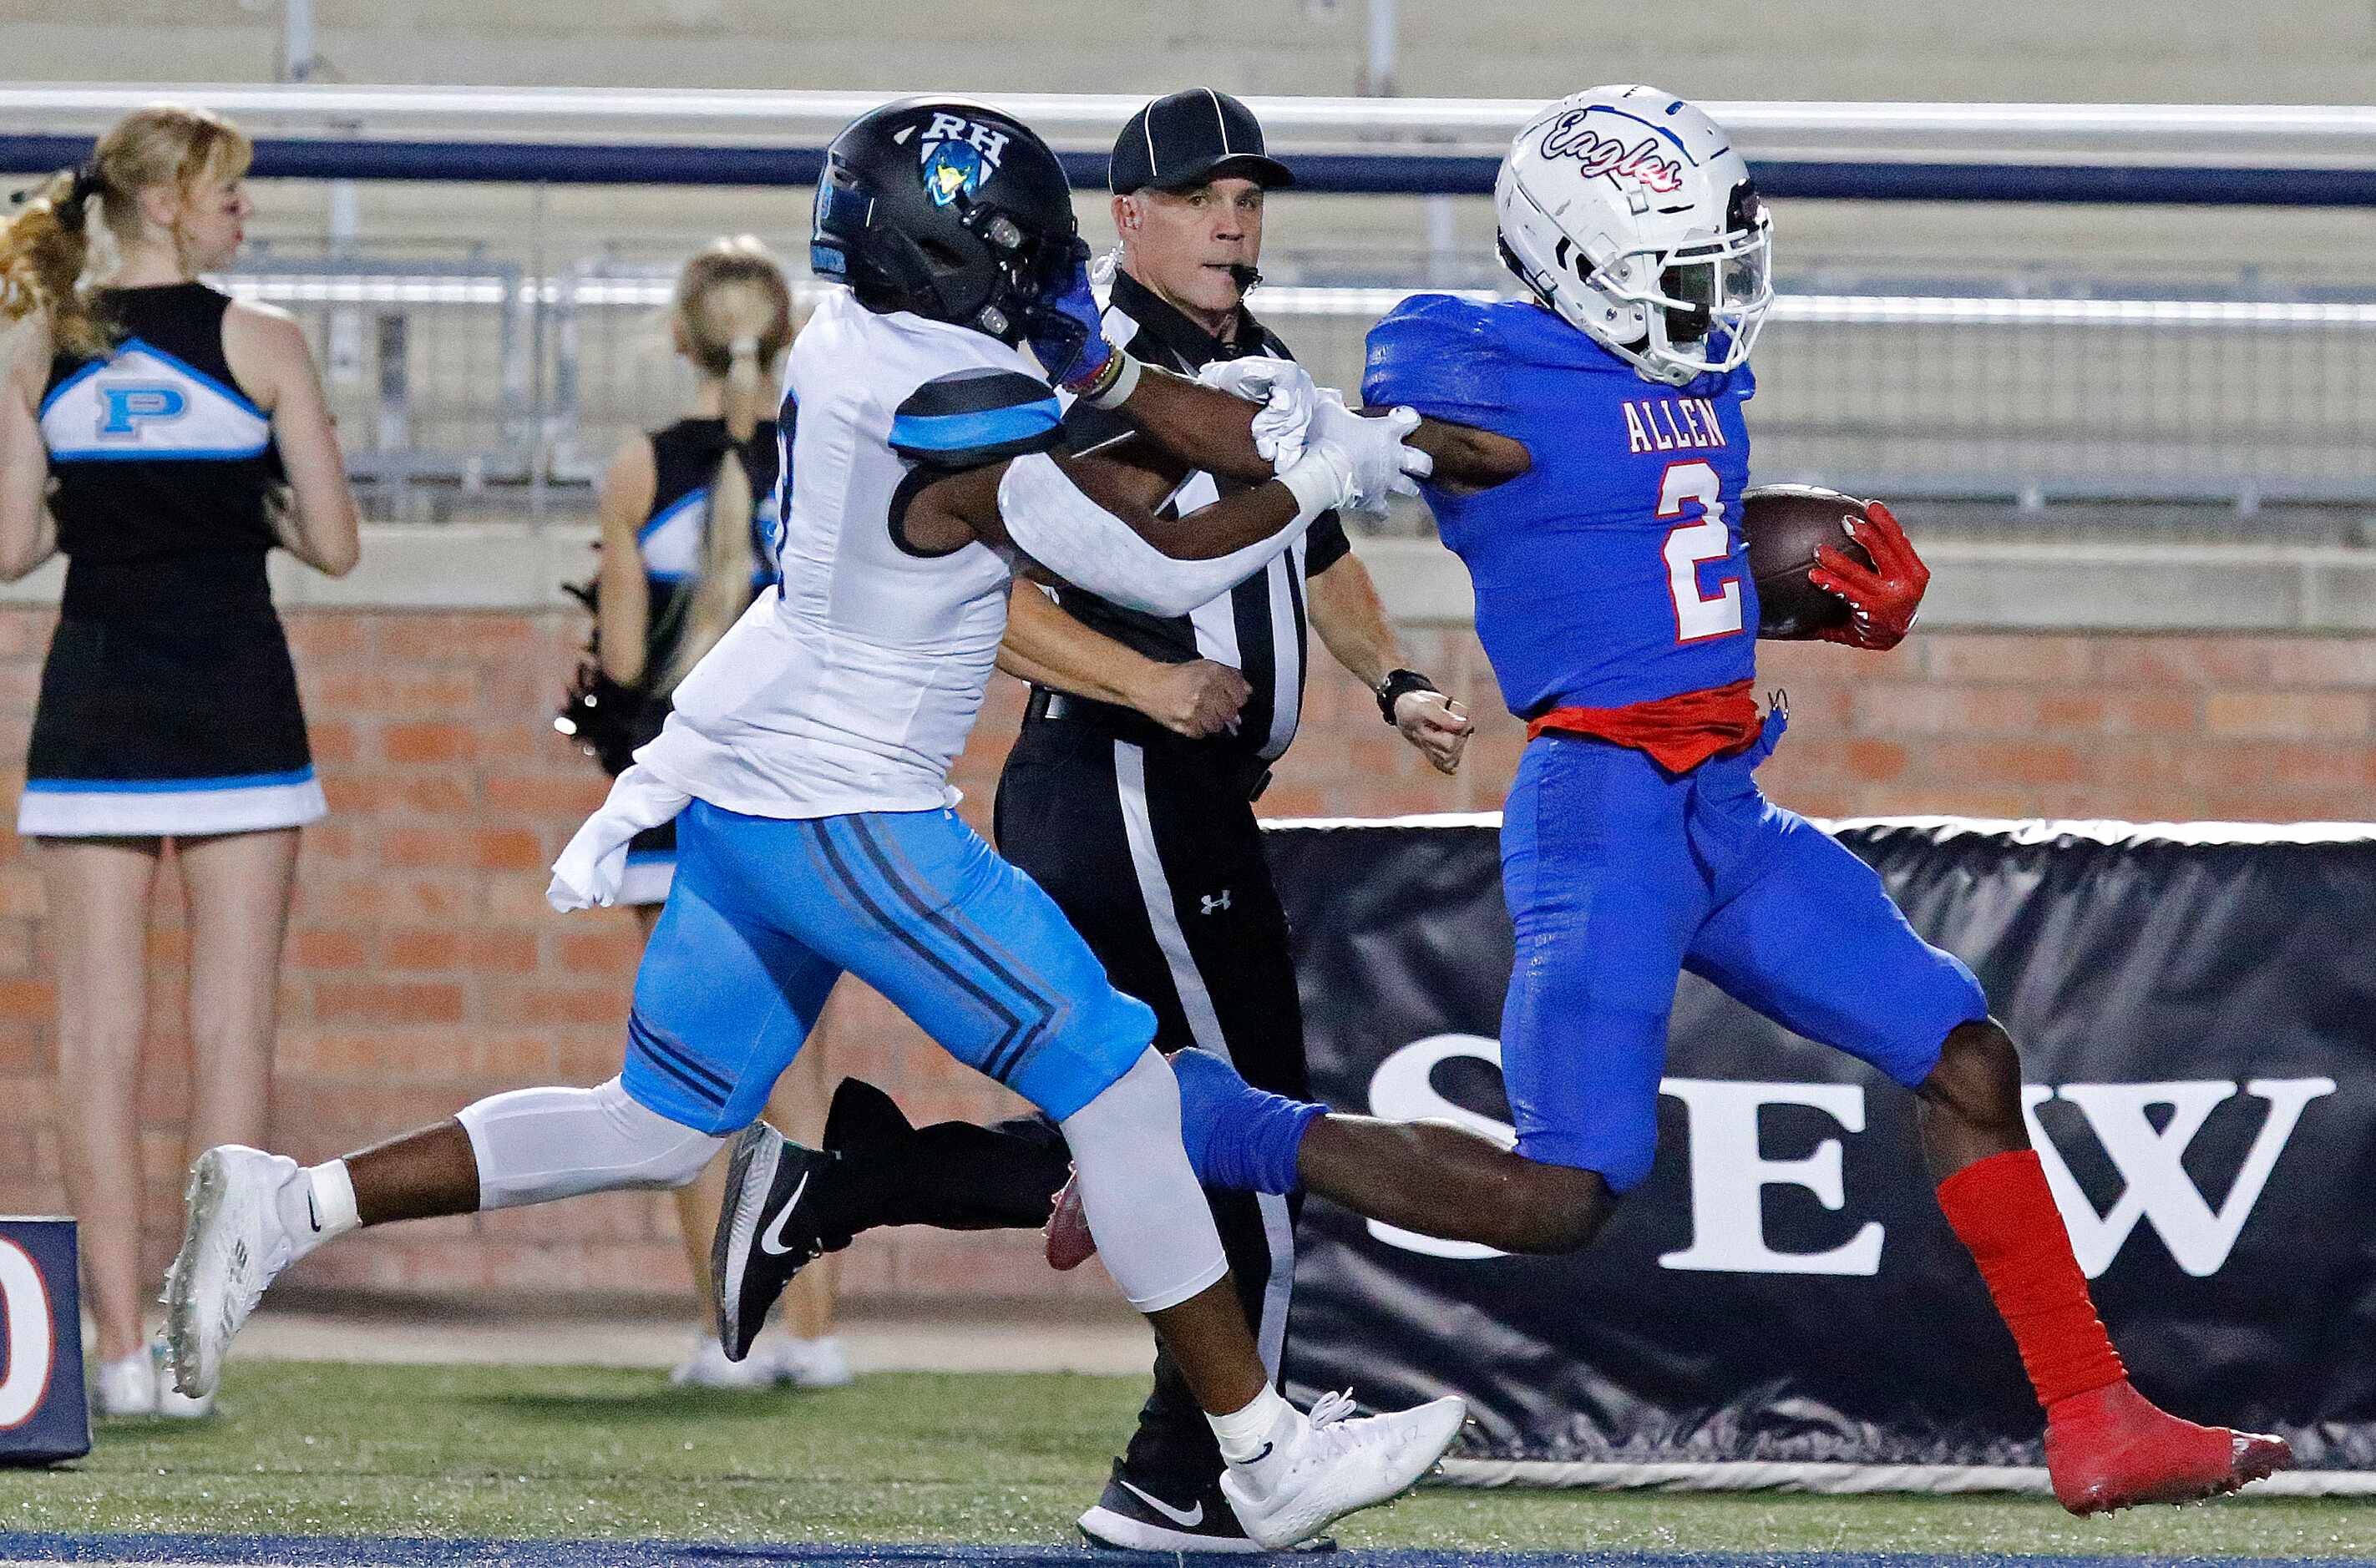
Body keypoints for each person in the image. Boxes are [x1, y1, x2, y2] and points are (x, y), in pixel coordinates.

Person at [734, 84, 2297, 1520]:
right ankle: (1176, 1124)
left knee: (1963, 1051)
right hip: (1605, 809)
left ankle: (2092, 1413)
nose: (1713, 292)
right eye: (1681, 262)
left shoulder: (1682, 363)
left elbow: (1647, 520)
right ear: (1585, 256)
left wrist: (1798, 576)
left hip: (1721, 804)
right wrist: (1291, 424)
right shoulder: (1466, 361)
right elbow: (1458, 450)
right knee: (1558, 1200)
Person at [160, 97, 1461, 1550]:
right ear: (957, 255)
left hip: (754, 809)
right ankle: (1254, 1446)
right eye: (1024, 248)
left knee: (656, 1124)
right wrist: (1317, 473)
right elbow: (1154, 564)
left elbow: (1120, 398)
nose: (1047, 270)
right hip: (856, 818)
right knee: (1127, 1085)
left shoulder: (858, 337)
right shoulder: (955, 411)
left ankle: (288, 1203)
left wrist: (1281, 412)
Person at [726, 89, 1473, 1554]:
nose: (1233, 220)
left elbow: (1314, 551)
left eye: (1250, 195)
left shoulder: (1253, 363)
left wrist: (1389, 679)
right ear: (1123, 215)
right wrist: (1144, 674)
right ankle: (1201, 1466)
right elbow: (973, 589)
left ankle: (873, 1174)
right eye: (1201, 195)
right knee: (1245, 1115)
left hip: (1186, 789)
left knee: (1157, 1109)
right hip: (1115, 772)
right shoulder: (1070, 362)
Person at [0, 104, 359, 1419]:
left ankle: (109, 1352)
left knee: (97, 1039)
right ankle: (191, 1349)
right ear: (161, 201)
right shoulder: (264, 340)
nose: (240, 212)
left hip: (94, 708)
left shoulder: (47, 341)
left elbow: (6, 547)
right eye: (225, 191)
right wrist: (243, 500)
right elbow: (335, 544)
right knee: (228, 1033)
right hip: (237, 713)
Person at [573, 237, 845, 1391]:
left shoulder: (641, 467)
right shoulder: (828, 455)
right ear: (783, 337)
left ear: (679, 340)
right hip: (809, 790)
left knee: (688, 1075)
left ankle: (723, 1336)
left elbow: (627, 660)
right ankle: (818, 1336)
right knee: (807, 1074)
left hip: (680, 798)